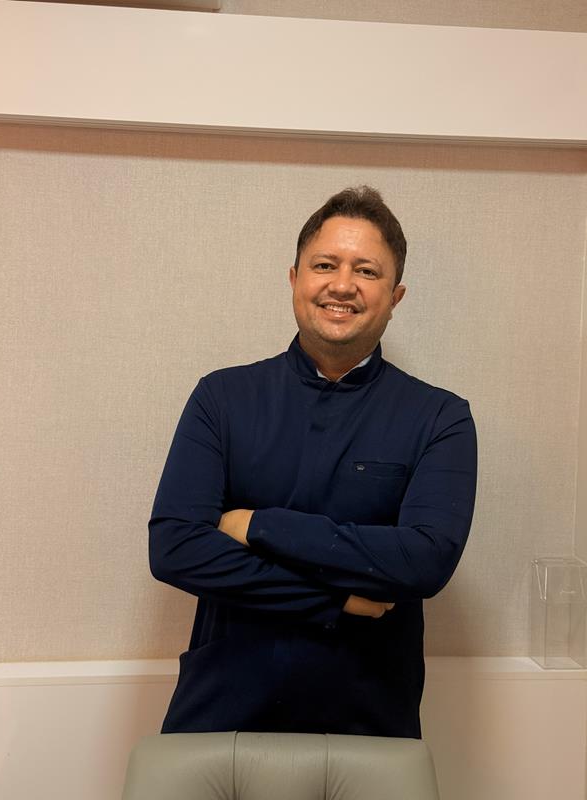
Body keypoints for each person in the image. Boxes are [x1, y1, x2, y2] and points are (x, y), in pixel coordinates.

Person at [149, 186, 477, 738]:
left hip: (369, 721)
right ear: (295, 278)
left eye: (366, 271)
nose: (342, 285)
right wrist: (336, 599)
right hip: (221, 712)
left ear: (395, 296)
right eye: (325, 265)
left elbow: (425, 560)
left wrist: (257, 525)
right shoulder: (221, 398)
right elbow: (175, 548)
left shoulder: (440, 417)